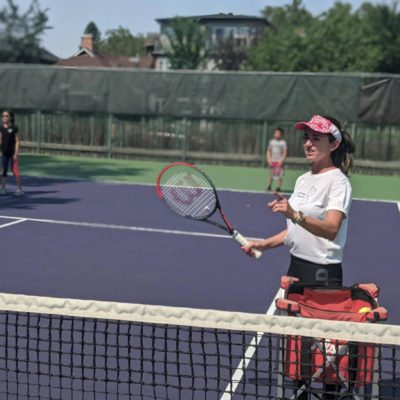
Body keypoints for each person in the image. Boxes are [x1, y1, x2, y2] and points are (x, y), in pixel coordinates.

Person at [245, 115, 355, 399]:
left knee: (328, 351)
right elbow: (294, 230)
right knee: (298, 351)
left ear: (333, 144)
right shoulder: (303, 180)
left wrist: (294, 213)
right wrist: (263, 244)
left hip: (324, 274)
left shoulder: (338, 182)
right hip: (296, 269)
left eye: (315, 138)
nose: (308, 144)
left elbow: (331, 228)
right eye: (306, 138)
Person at [0, 110, 24, 196]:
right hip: (4, 154)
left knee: (15, 171)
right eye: (3, 116)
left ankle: (19, 189)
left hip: (12, 153)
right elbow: (0, 140)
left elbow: (17, 141)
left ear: (10, 117)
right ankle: (3, 189)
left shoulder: (14, 128)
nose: (4, 117)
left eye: (6, 116)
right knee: (4, 171)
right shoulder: (1, 128)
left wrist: (16, 153)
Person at [266, 127, 287, 192]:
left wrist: (281, 161)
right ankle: (269, 186)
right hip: (272, 161)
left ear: (281, 134)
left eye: (278, 133)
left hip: (279, 162)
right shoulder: (271, 142)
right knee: (271, 174)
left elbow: (285, 152)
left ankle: (279, 187)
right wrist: (269, 159)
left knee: (279, 175)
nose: (277, 134)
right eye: (276, 133)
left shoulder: (283, 142)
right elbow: (268, 151)